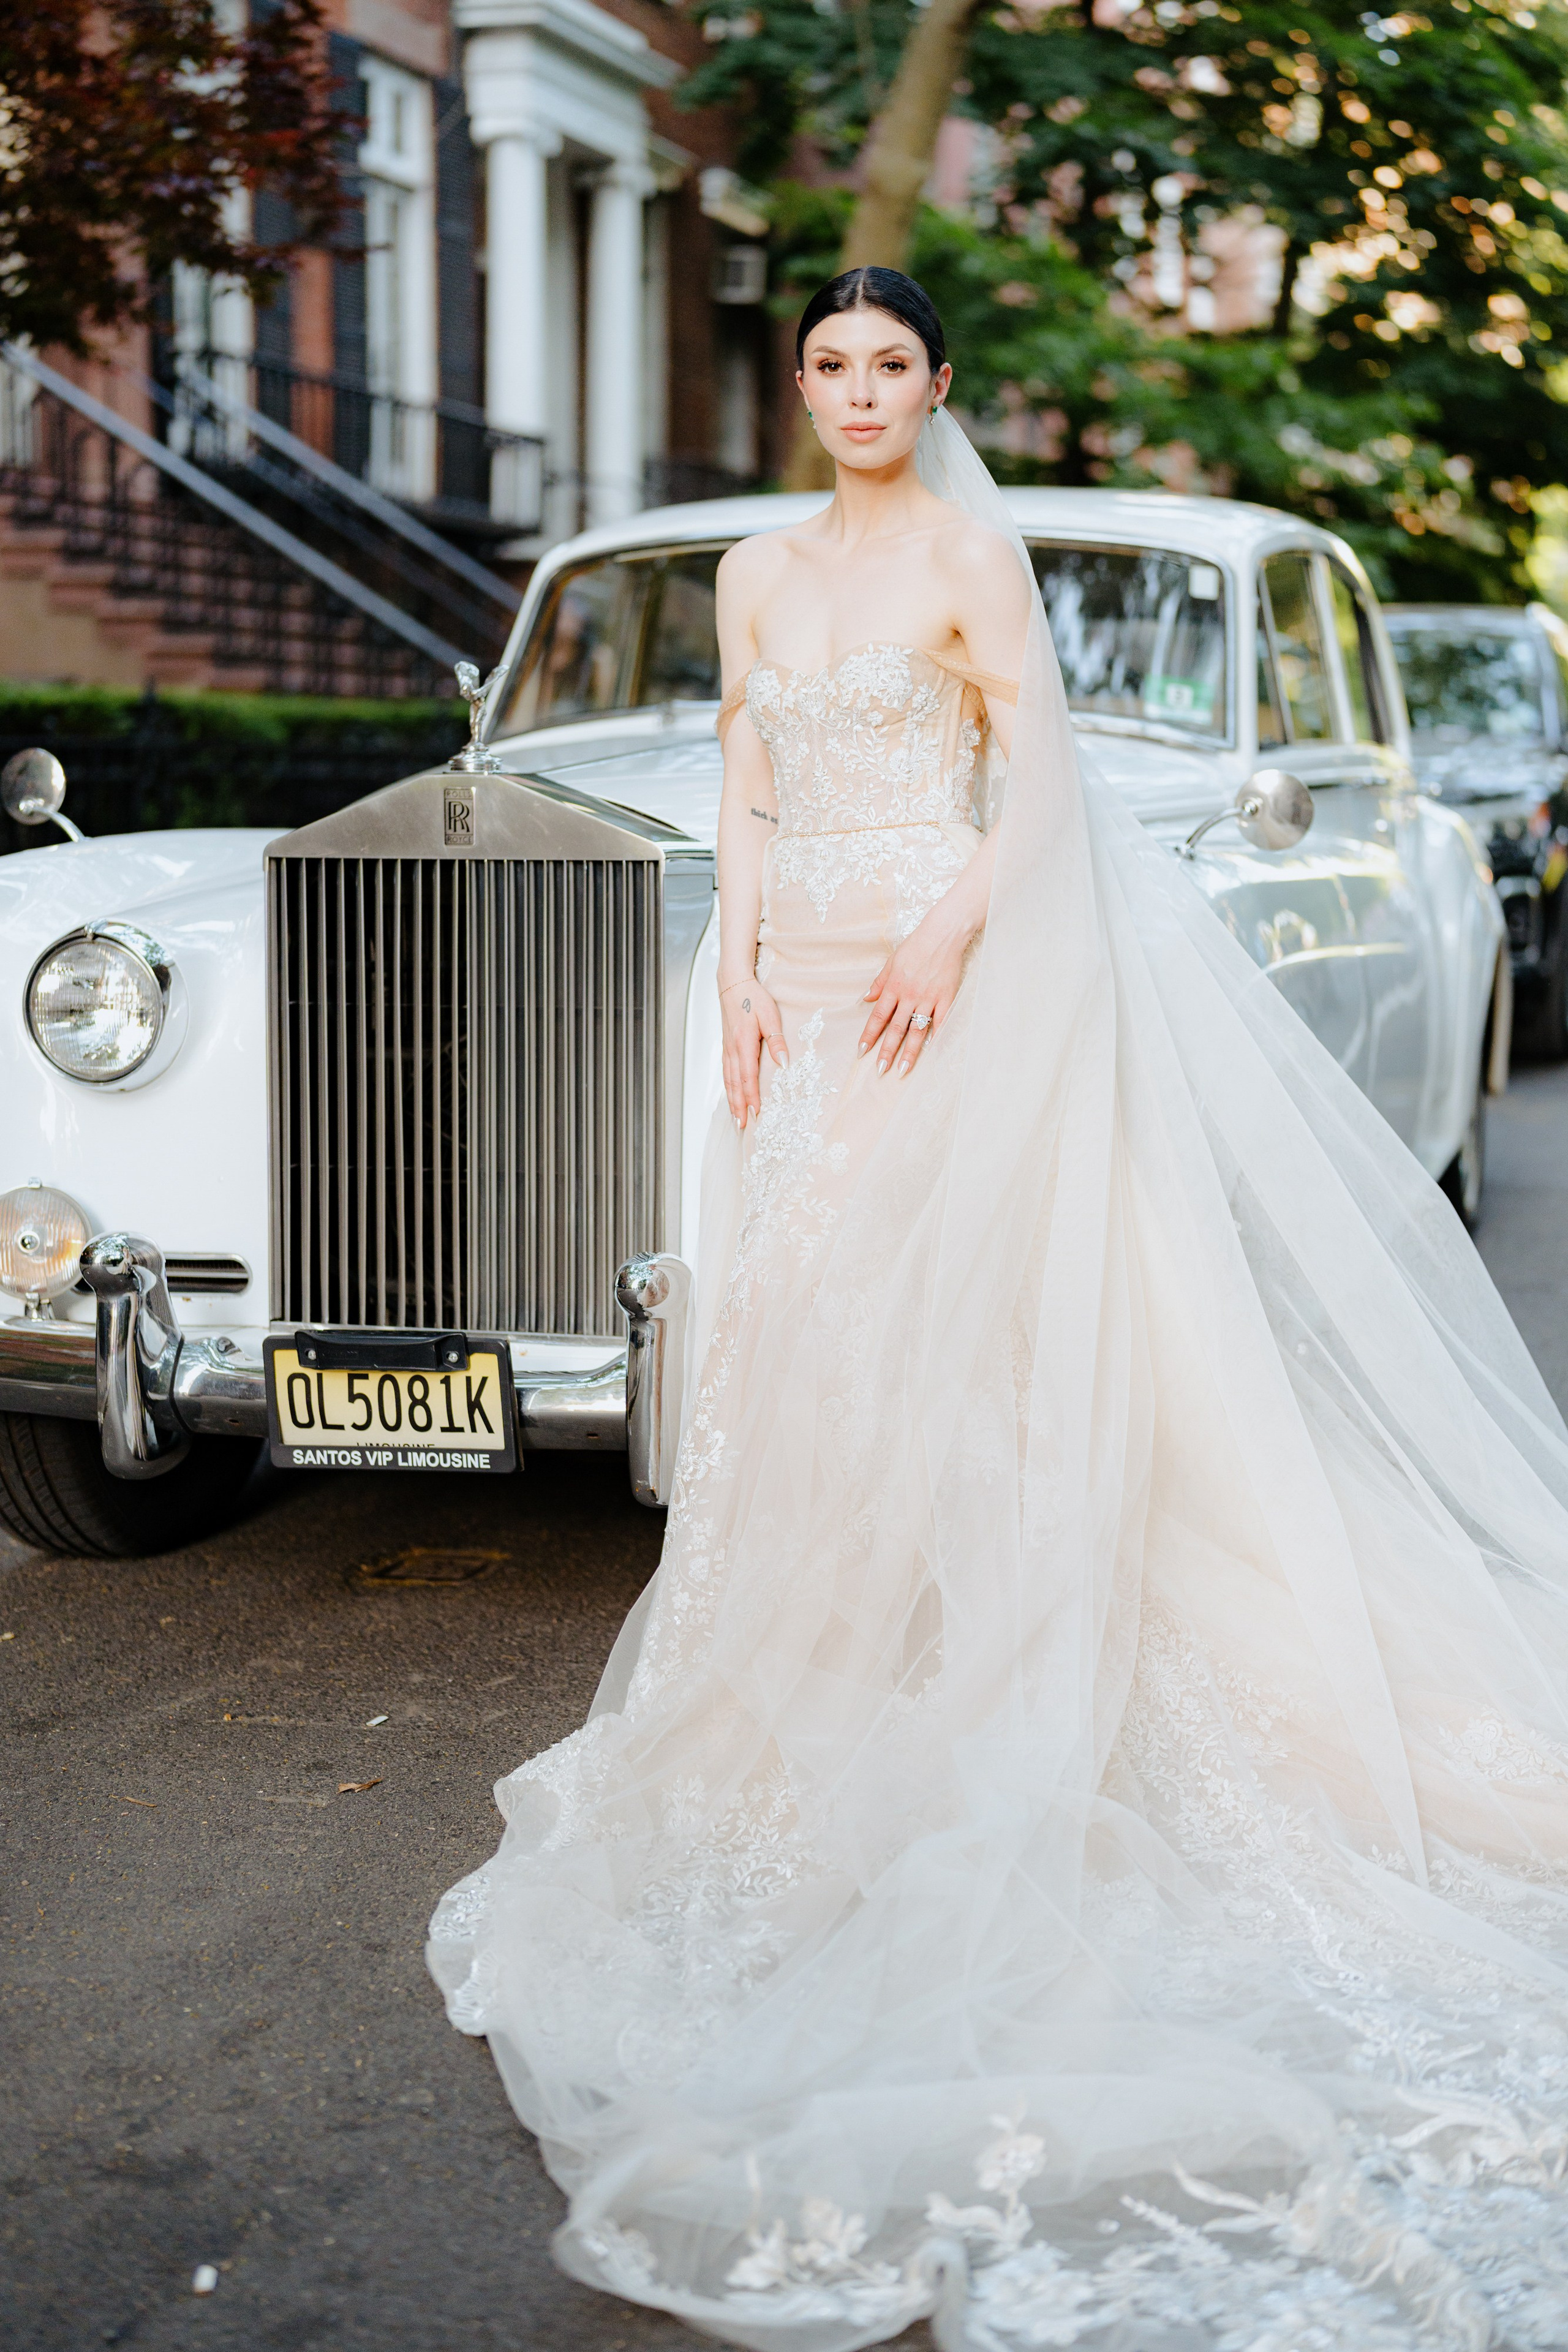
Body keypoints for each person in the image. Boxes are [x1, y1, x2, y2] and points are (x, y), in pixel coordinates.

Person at [429, 268, 1568, 2351]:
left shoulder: (974, 556)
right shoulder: (758, 577)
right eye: (830, 368)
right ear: (803, 391)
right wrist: (734, 965)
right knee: (812, 1343)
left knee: (953, 1339)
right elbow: (750, 780)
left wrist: (949, 935)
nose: (861, 393)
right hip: (795, 1002)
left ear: (938, 385)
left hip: (941, 986)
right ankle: (825, 1693)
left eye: (893, 367)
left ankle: (995, 1679)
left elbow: (1039, 786)